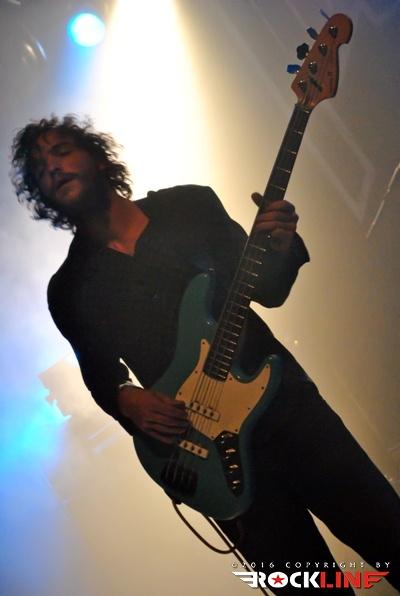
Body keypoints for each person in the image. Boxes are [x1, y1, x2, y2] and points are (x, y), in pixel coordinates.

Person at [11, 116, 400, 593]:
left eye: (61, 151)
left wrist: (279, 246)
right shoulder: (70, 289)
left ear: (96, 156)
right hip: (209, 455)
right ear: (40, 195)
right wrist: (128, 400)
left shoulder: (189, 205)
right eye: (39, 168)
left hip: (290, 414)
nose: (51, 168)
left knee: (387, 532)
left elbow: (268, 290)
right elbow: (101, 376)